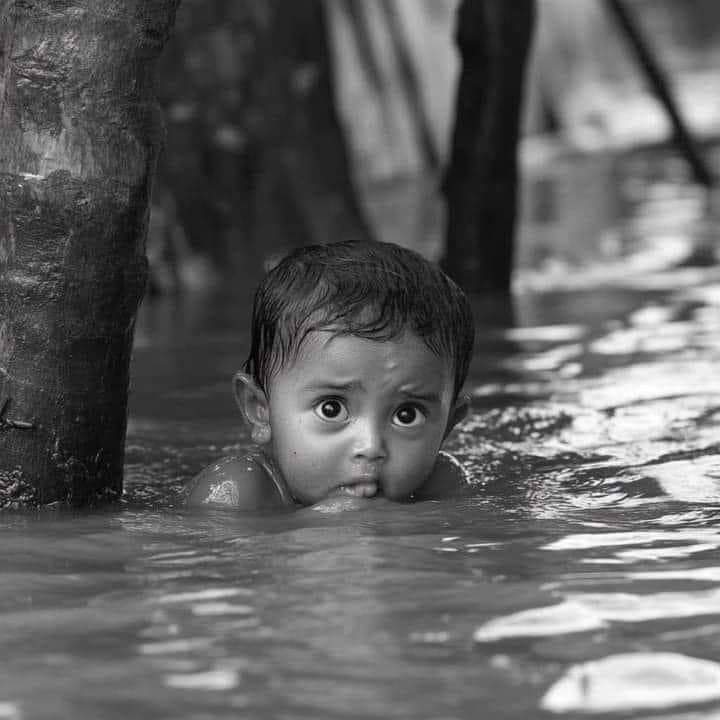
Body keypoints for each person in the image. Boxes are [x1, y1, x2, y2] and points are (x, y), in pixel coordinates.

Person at [186, 240, 475, 510]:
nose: (371, 446)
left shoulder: (441, 486)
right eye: (331, 408)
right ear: (260, 409)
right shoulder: (238, 493)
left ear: (448, 424)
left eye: (407, 415)